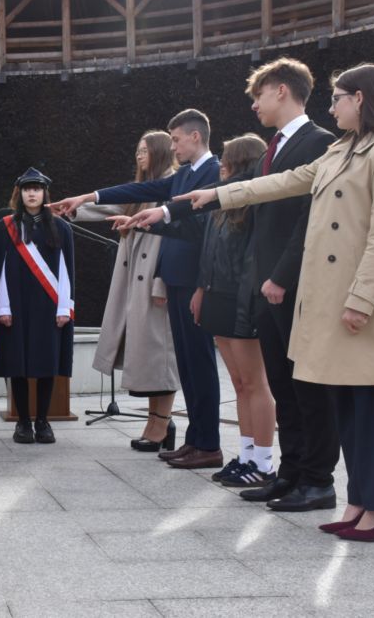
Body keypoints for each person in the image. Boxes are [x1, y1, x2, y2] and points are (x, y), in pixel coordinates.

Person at [176, 63, 374, 541]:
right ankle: (360, 501)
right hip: (327, 298)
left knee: (371, 404)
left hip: (359, 300)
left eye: (338, 99)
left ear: (362, 99)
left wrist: (362, 299)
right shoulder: (340, 150)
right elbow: (279, 183)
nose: (331, 108)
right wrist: (217, 193)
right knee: (346, 404)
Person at [131, 59, 339, 509]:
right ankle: (290, 472)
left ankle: (318, 481)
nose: (253, 103)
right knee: (284, 386)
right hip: (267, 284)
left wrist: (280, 276)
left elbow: (309, 219)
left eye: (258, 94)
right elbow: (247, 185)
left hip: (293, 283)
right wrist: (171, 210)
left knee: (306, 388)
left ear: (281, 91)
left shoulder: (320, 142)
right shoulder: (275, 148)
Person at [50, 109, 222, 469]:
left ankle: (208, 443)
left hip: (192, 279)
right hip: (176, 277)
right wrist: (88, 197)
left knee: (199, 363)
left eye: (175, 139)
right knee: (188, 367)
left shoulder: (213, 173)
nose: (172, 145)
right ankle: (195, 440)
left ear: (194, 136)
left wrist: (152, 221)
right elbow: (140, 189)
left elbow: (199, 230)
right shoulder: (187, 174)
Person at [123, 134, 277, 484]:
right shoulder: (222, 208)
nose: (221, 168)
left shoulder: (253, 207)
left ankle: (263, 463)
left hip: (241, 299)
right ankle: (245, 456)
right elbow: (204, 245)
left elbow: (250, 257)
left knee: (254, 383)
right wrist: (203, 288)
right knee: (239, 383)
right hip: (216, 293)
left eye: (228, 164)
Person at [72, 131, 180, 452]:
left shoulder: (172, 187)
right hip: (138, 285)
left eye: (144, 150)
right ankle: (158, 424)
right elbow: (107, 206)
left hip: (157, 287)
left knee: (161, 359)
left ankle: (161, 425)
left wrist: (162, 282)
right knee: (150, 359)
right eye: (137, 150)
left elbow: (176, 240)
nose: (139, 155)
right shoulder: (143, 192)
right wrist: (70, 209)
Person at [0, 168, 74, 445]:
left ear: (45, 193)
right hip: (15, 306)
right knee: (19, 364)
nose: (32, 193)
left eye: (37, 188)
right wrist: (2, 307)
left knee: (47, 364)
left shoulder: (61, 227)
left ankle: (43, 421)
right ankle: (23, 422)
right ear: (19, 193)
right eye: (27, 189)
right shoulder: (3, 228)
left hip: (48, 308)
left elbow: (65, 271)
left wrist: (64, 308)